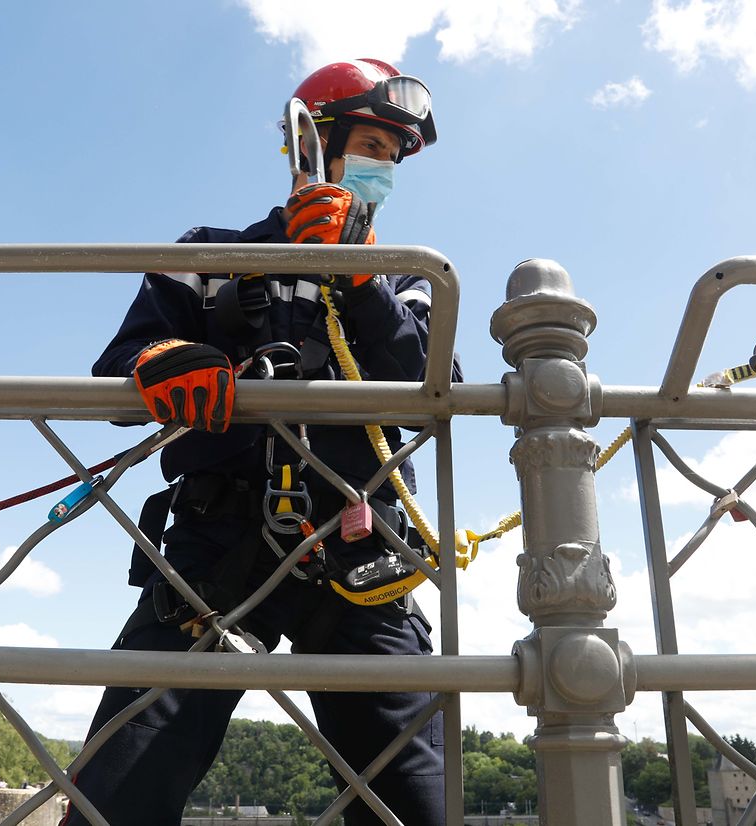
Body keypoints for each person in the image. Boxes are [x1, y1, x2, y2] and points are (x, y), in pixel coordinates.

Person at [65, 58, 456, 826]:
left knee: (409, 798)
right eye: (372, 144)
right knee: (124, 783)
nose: (383, 166)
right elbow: (121, 367)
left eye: (394, 154)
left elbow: (425, 392)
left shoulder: (409, 279)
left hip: (362, 547)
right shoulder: (207, 256)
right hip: (215, 548)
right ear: (315, 143)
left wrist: (358, 278)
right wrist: (160, 360)